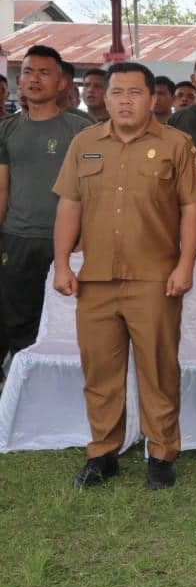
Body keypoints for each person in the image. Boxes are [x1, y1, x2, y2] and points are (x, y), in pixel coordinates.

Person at [51, 62, 196, 490]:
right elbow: (69, 205)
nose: (124, 101)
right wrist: (62, 263)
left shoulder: (176, 144)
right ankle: (103, 453)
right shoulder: (84, 143)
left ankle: (161, 455)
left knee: (159, 370)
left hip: (155, 280)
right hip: (96, 279)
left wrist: (185, 266)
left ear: (152, 98)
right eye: (117, 92)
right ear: (104, 97)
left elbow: (192, 207)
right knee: (99, 371)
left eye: (134, 93)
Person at [0, 46, 93, 369]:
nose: (34, 79)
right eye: (28, 72)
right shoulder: (6, 129)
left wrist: (85, 238)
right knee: (18, 321)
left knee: (66, 324)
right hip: (17, 239)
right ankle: (20, 383)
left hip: (67, 244)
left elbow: (94, 191)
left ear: (62, 82)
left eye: (44, 72)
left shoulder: (81, 130)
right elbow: (2, 188)